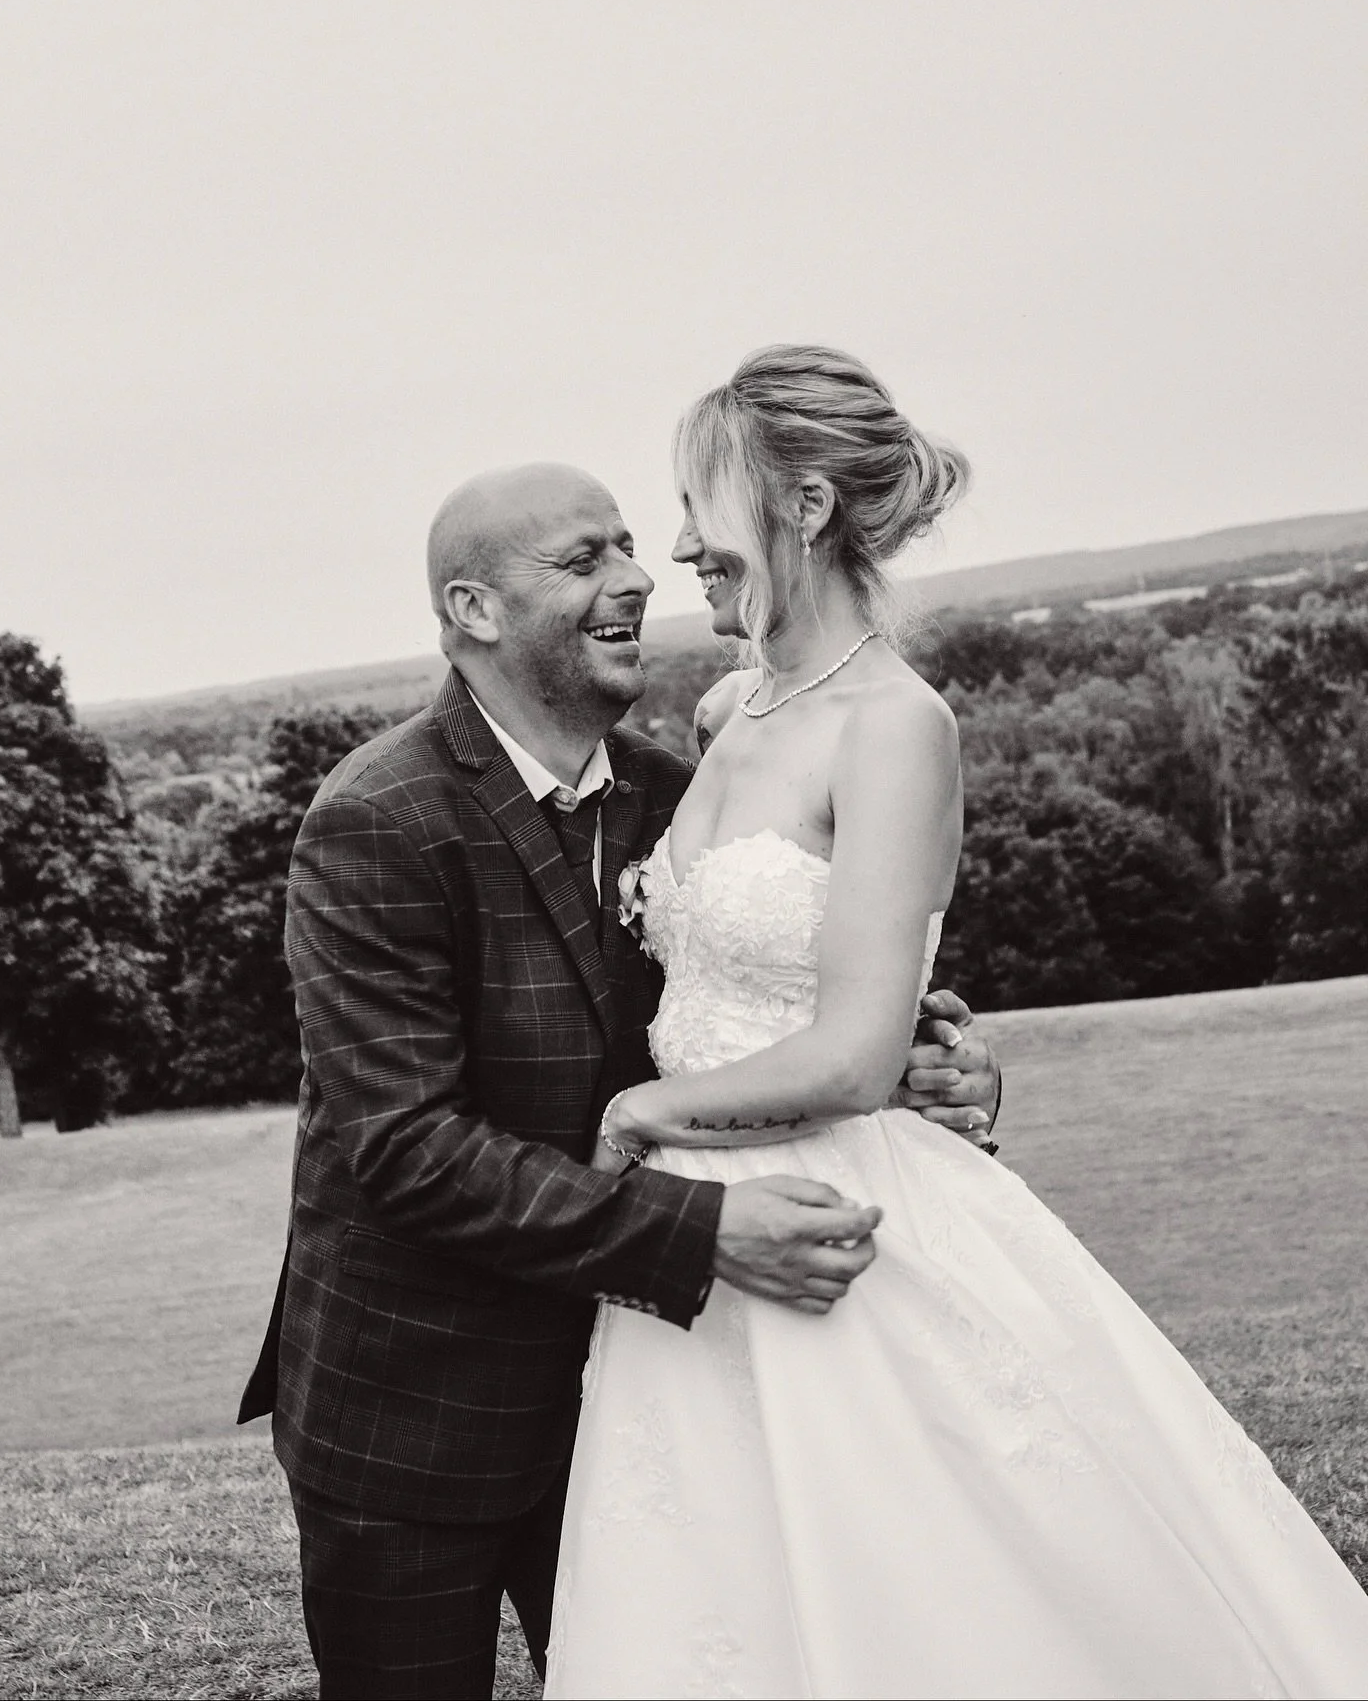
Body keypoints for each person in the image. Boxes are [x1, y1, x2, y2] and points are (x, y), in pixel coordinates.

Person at [544, 345, 1368, 1700]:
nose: (684, 546)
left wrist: (642, 1113)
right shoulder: (729, 708)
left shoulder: (897, 724)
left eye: (703, 507)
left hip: (834, 1220)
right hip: (699, 1247)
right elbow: (741, 960)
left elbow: (858, 1055)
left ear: (802, 509)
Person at [237, 460, 1001, 1700]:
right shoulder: (378, 817)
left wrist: (919, 1054)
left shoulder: (670, 791)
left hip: (646, 1398)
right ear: (476, 610)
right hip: (416, 1410)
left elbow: (746, 1009)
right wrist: (701, 1230)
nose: (638, 579)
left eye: (633, 548)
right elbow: (404, 1149)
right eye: (584, 559)